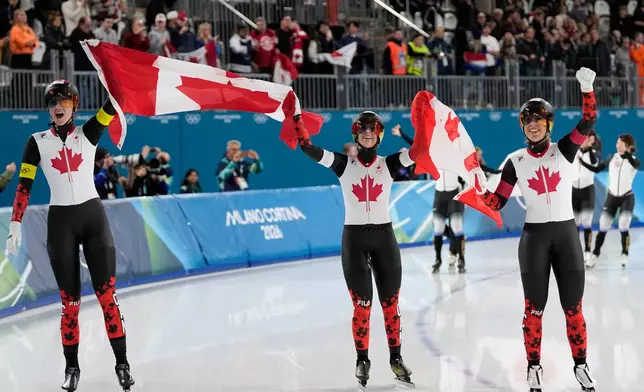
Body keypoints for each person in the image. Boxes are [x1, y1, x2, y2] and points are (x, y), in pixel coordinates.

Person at [5, 80, 135, 392]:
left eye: (63, 102)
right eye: (52, 104)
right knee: (70, 305)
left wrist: (114, 74)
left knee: (108, 298)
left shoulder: (88, 132)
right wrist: (15, 222)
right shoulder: (36, 141)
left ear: (74, 105)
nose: (57, 108)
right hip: (61, 222)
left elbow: (112, 105)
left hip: (93, 221)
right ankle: (72, 368)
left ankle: (122, 364)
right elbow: (25, 185)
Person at [480, 67, 597, 391]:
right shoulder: (515, 161)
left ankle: (581, 365)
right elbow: (497, 202)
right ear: (522, 126)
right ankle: (533, 367)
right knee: (534, 309)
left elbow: (588, 121)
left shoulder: (565, 149)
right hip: (534, 239)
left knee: (573, 308)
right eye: (527, 120)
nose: (533, 125)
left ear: (548, 123)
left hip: (566, 236)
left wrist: (587, 89)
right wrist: (474, 189)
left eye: (538, 119)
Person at [292, 112, 416, 389]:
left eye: (372, 130)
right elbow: (309, 149)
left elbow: (420, 151)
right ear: (355, 136)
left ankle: (396, 358)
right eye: (362, 130)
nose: (367, 134)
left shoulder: (390, 164)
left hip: (384, 238)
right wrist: (298, 123)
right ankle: (362, 360)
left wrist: (425, 121)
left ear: (380, 135)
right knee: (362, 307)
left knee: (390, 306)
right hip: (354, 241)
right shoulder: (343, 164)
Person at [391, 124, 466, 273]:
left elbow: (473, 166)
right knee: (438, 228)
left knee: (457, 227)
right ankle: (438, 259)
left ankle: (461, 259)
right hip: (440, 194)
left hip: (454, 194)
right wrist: (402, 133)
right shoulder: (433, 153)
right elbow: (415, 145)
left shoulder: (457, 154)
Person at [581, 134, 640, 268]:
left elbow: (635, 164)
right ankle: (595, 255)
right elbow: (597, 169)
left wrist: (627, 153)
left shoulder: (634, 160)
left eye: (620, 143)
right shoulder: (612, 158)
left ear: (628, 146)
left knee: (623, 225)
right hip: (612, 197)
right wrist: (583, 163)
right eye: (617, 143)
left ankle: (625, 252)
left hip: (627, 197)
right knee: (603, 227)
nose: (617, 145)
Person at [572, 130, 600, 261]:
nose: (588, 141)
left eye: (590, 139)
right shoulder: (574, 152)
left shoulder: (594, 154)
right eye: (586, 138)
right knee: (575, 223)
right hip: (574, 191)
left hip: (587, 191)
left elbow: (595, 164)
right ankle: (576, 251)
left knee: (586, 222)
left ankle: (588, 250)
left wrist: (588, 149)